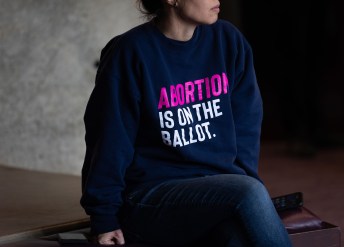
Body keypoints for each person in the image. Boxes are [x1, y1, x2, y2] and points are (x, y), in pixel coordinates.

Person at [80, 0, 292, 246]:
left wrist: (240, 183)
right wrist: (104, 217)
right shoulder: (130, 52)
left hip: (219, 192)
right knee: (251, 191)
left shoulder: (228, 41)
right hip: (150, 196)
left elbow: (246, 125)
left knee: (237, 235)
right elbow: (109, 139)